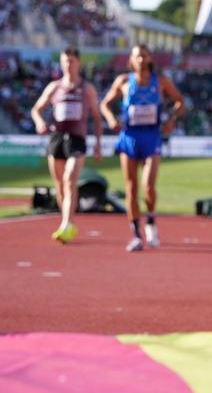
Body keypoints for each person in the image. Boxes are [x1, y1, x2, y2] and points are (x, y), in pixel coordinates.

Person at [100, 44, 185, 252]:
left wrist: (171, 119)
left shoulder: (160, 81)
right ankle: (136, 235)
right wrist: (111, 119)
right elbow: (104, 104)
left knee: (148, 186)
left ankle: (151, 223)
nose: (140, 59)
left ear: (149, 59)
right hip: (129, 137)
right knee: (131, 188)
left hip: (152, 136)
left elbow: (180, 102)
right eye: (137, 56)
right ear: (131, 59)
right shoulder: (123, 81)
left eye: (144, 56)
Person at [31, 47, 103, 243]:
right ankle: (66, 220)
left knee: (70, 179)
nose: (67, 65)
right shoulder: (54, 87)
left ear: (78, 63)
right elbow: (36, 109)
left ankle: (67, 223)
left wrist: (98, 144)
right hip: (56, 138)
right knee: (60, 184)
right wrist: (39, 122)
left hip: (77, 139)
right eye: (64, 61)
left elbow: (97, 118)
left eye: (71, 61)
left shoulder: (86, 88)